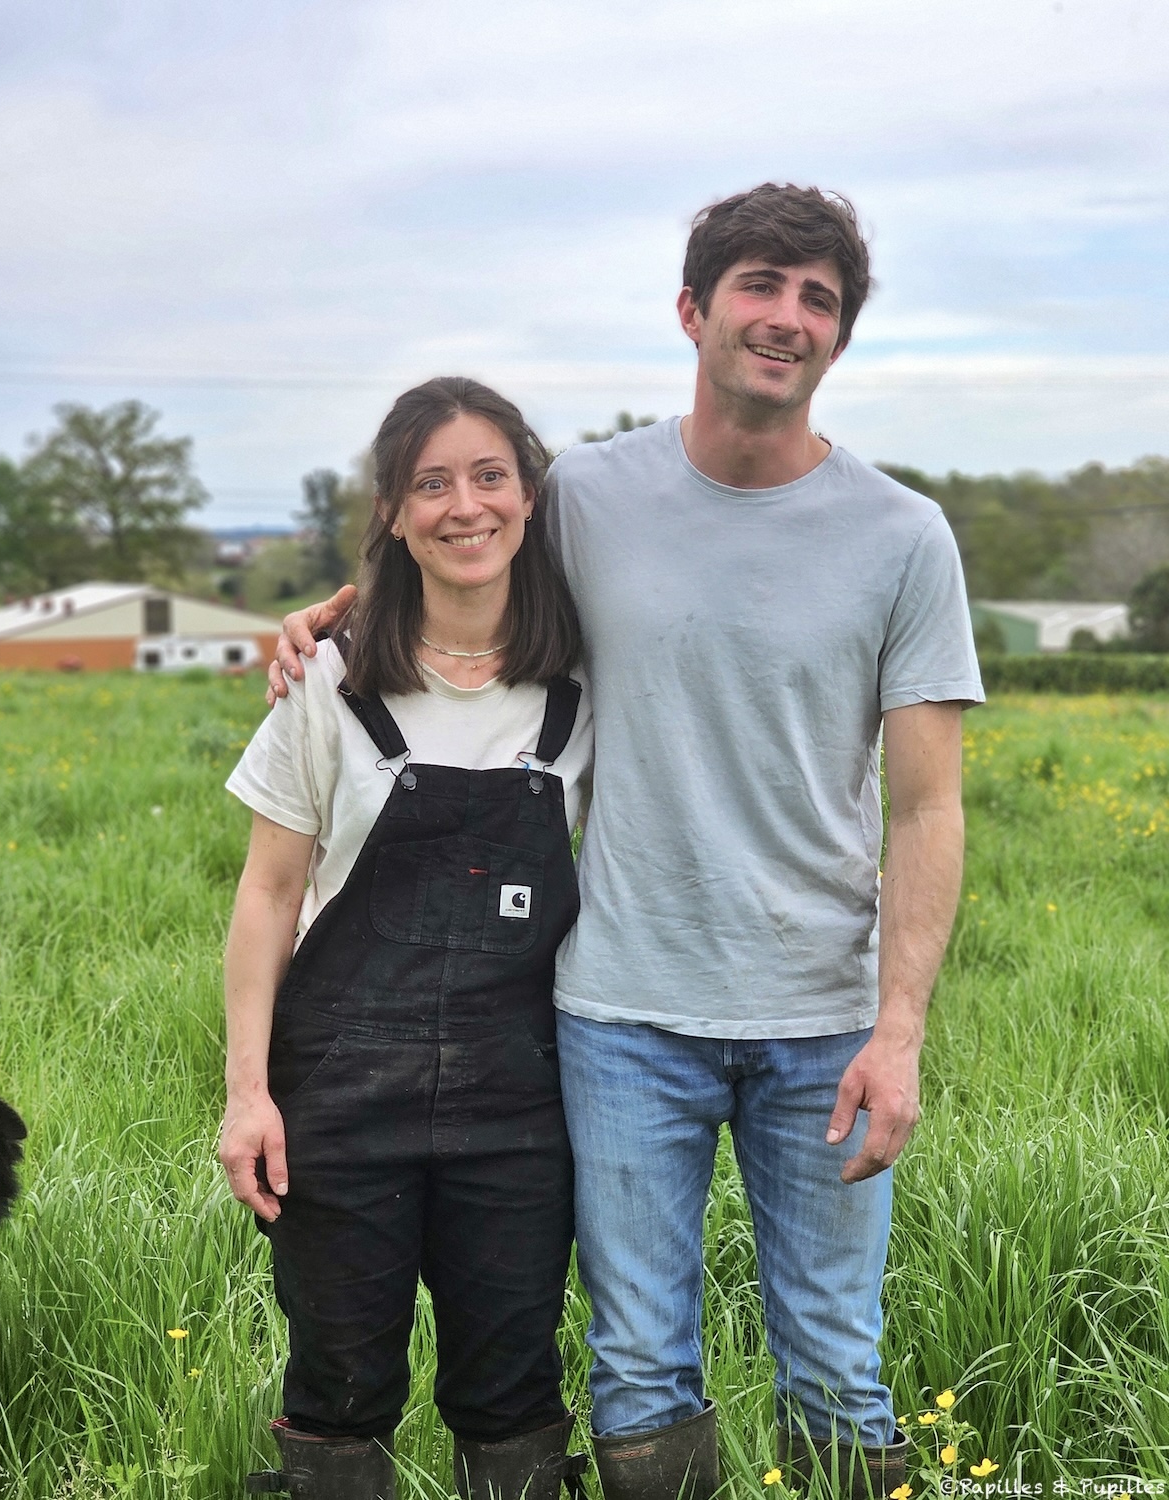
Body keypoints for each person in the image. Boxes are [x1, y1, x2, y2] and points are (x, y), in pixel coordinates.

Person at [271, 184, 984, 1500]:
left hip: (824, 1019)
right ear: (693, 311)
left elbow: (929, 805)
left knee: (836, 1364)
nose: (786, 317)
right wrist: (337, 614)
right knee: (637, 1373)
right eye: (760, 287)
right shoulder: (591, 492)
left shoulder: (904, 536)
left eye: (818, 299)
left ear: (840, 337)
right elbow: (462, 539)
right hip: (617, 1019)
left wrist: (901, 1031)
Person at [221, 377, 594, 1500]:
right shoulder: (325, 681)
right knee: (338, 1383)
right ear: (390, 512)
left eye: (489, 476)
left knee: (513, 1387)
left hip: (519, 1113)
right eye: (430, 483)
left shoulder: (587, 685)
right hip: (339, 1099)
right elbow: (267, 896)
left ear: (529, 498)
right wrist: (248, 1094)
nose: (463, 506)